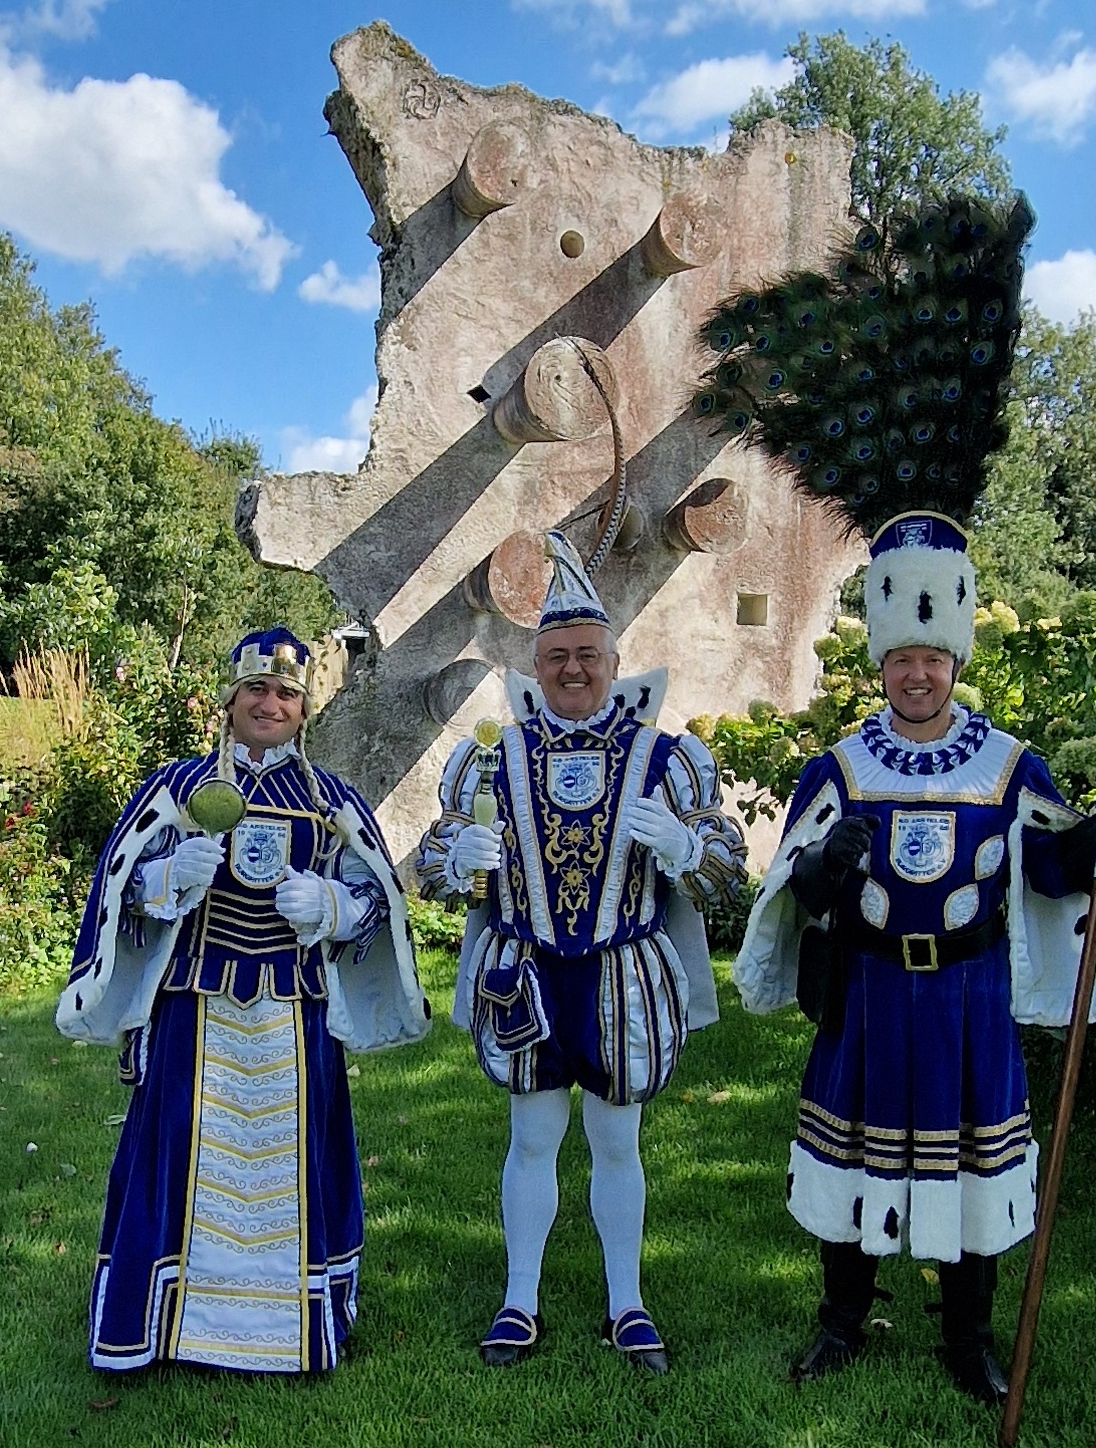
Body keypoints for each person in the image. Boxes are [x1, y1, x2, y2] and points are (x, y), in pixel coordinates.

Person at [710, 194, 1096, 1403]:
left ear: (952, 655)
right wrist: (814, 876)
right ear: (879, 656)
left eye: (932, 658)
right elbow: (787, 885)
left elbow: (1057, 871)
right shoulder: (837, 765)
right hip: (867, 996)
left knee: (966, 1176)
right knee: (852, 1164)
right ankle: (841, 1319)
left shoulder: (1008, 766)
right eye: (899, 658)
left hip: (961, 1001)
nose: (915, 672)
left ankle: (965, 1339)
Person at [57, 628, 430, 1374]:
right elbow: (118, 883)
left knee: (292, 1163)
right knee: (180, 1153)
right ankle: (174, 1327)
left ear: (303, 709)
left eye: (286, 693)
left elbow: (375, 897)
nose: (270, 704)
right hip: (196, 1007)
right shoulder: (178, 789)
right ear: (231, 701)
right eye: (256, 690)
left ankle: (284, 1331)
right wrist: (167, 881)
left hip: (294, 1014)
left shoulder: (331, 801)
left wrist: (330, 905)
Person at [416, 533, 747, 1373]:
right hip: (524, 975)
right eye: (556, 654)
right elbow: (434, 856)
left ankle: (625, 1302)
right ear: (535, 660)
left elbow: (725, 865)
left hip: (622, 978)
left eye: (587, 655)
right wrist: (457, 858)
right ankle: (518, 1298)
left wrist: (681, 843)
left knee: (616, 1141)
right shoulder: (492, 758)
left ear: (614, 658)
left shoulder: (666, 760)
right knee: (530, 1139)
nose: (572, 669)